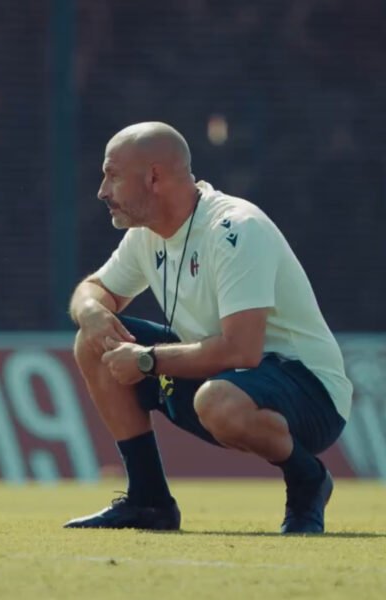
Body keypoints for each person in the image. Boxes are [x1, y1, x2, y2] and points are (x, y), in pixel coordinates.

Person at [65, 122, 352, 533]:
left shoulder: (235, 228)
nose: (102, 191)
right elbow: (92, 290)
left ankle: (309, 480)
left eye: (112, 175)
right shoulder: (147, 234)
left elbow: (242, 351)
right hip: (222, 380)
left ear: (154, 178)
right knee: (91, 342)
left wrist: (146, 361)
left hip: (309, 392)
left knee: (217, 399)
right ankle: (149, 503)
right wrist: (91, 312)